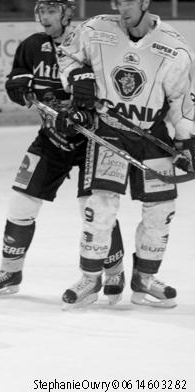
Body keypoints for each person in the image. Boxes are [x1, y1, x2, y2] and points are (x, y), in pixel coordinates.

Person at [0, 0, 126, 307]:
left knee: (96, 209)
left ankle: (114, 271)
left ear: (67, 13)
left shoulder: (88, 41)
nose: (45, 17)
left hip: (93, 139)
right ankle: (10, 272)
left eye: (52, 11)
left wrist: (84, 108)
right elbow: (18, 75)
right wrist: (19, 89)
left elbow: (107, 87)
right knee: (21, 202)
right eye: (41, 11)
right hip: (51, 138)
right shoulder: (32, 45)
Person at [56, 0, 195, 308]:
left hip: (153, 138)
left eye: (129, 1)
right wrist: (78, 76)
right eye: (117, 1)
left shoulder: (175, 47)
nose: (121, 8)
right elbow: (65, 55)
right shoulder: (95, 29)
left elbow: (180, 102)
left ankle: (144, 280)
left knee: (161, 210)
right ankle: (90, 280)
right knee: (100, 207)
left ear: (145, 2)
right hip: (110, 132)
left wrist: (186, 141)